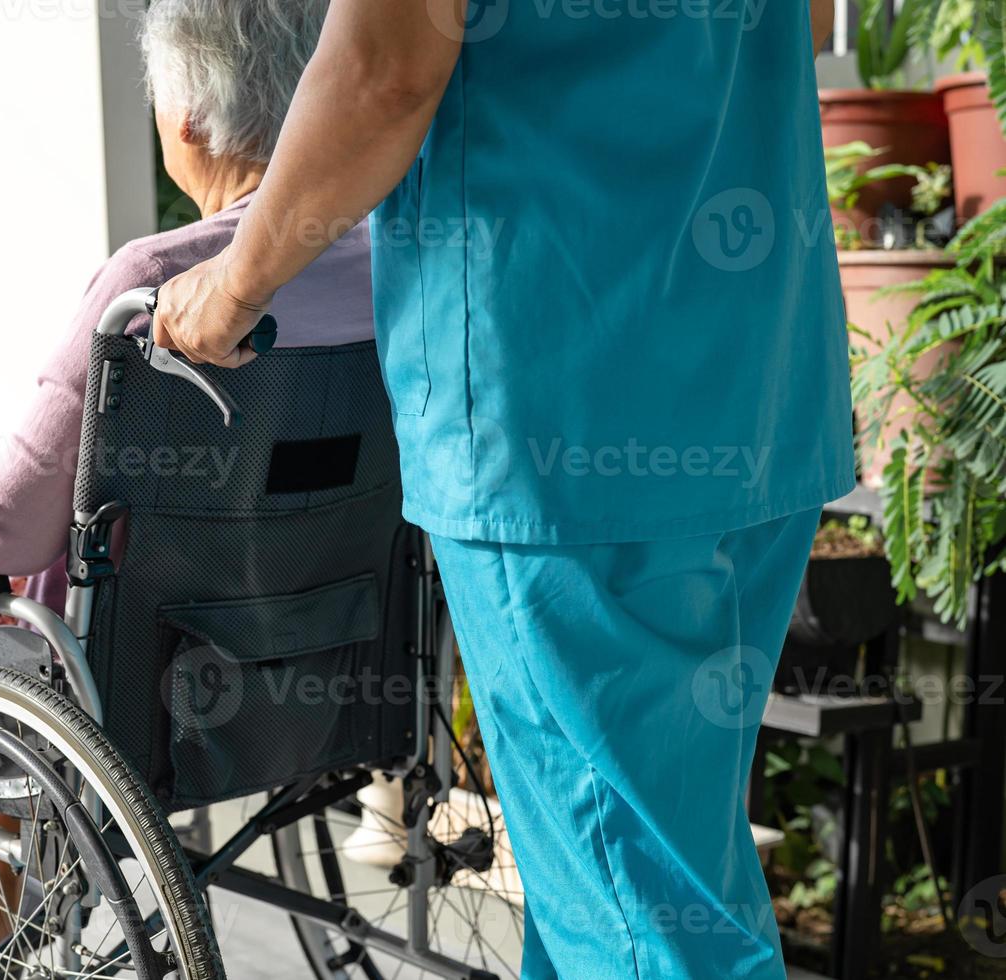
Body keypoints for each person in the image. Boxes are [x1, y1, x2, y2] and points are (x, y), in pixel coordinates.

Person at [152, 0, 852, 977]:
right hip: (754, 379)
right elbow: (814, 20)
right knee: (633, 885)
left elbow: (382, 73)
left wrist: (232, 287)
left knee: (639, 916)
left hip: (568, 411)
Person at [0, 0, 371, 966]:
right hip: (331, 652)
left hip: (133, 694)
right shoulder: (397, 264)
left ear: (184, 119)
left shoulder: (157, 285)